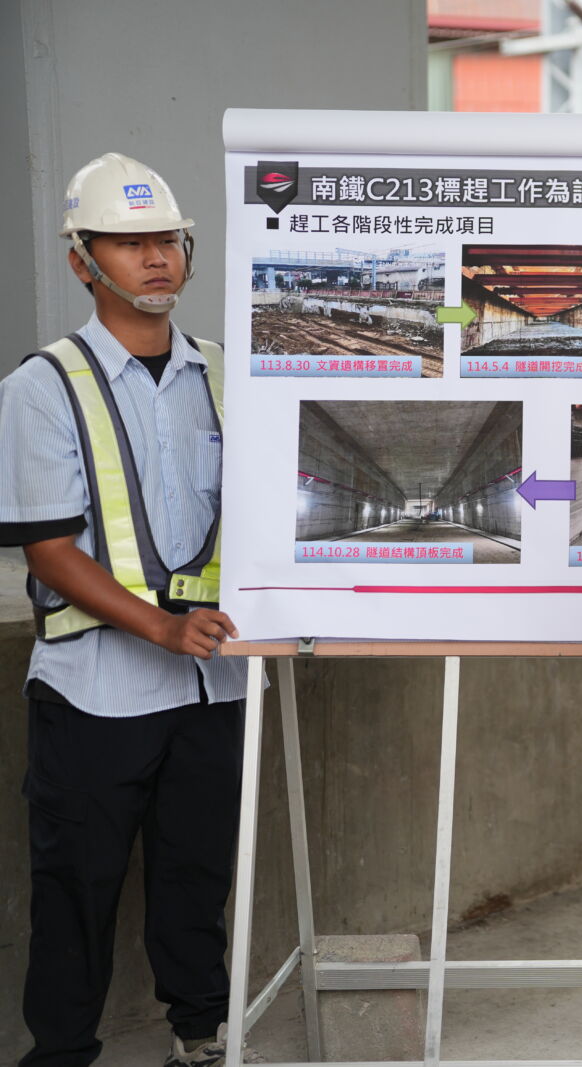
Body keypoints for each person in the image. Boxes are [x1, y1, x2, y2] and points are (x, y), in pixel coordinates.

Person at [0, 153, 247, 1067]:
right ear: (83, 261)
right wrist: (162, 627)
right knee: (76, 888)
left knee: (196, 878)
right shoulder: (40, 389)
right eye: (130, 242)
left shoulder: (226, 376)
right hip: (93, 690)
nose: (156, 260)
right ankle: (61, 1053)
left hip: (209, 690)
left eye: (167, 241)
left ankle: (200, 1038)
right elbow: (50, 550)